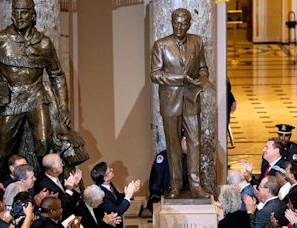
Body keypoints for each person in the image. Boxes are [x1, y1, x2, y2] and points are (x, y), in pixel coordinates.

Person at [0, 0, 73, 184]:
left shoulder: (44, 43)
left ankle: (41, 186)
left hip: (36, 96)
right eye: (17, 12)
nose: (20, 17)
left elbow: (57, 75)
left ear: (33, 15)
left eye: (24, 12)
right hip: (11, 100)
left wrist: (63, 106)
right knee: (1, 150)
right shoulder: (0, 40)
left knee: (44, 143)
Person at [150, 8, 212, 198]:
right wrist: (181, 78)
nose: (179, 26)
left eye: (183, 23)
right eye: (176, 22)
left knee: (195, 142)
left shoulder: (197, 41)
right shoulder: (161, 45)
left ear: (189, 24)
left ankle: (195, 185)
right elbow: (155, 74)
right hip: (171, 101)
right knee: (174, 145)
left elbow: (203, 68)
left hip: (192, 99)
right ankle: (175, 185)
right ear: (171, 22)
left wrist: (202, 81)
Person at [91, 162, 140, 228]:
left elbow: (117, 199)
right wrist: (128, 196)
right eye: (109, 170)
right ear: (105, 178)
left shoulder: (109, 184)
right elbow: (116, 212)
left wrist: (131, 192)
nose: (112, 169)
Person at [35, 154, 81, 220]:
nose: (62, 164)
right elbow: (61, 208)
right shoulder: (45, 187)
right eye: (60, 163)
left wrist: (75, 185)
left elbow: (72, 199)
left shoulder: (59, 176)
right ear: (54, 170)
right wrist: (69, 189)